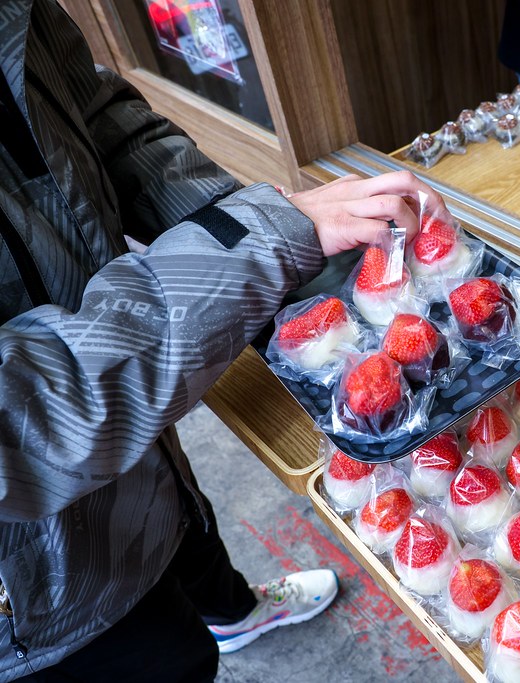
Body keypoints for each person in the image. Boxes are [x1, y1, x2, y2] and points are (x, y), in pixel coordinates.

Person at [0, 1, 446, 681]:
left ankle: (236, 609)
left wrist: (293, 267)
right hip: (41, 595)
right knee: (173, 656)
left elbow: (105, 125)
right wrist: (259, 245)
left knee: (184, 526)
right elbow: (21, 410)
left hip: (139, 419)